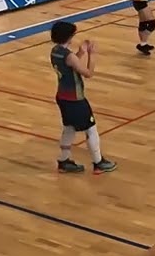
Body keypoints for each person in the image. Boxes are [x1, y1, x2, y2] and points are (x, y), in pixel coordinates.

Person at [49, 21, 115, 174]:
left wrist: (81, 52)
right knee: (91, 129)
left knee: (69, 128)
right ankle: (98, 162)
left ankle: (64, 160)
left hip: (62, 96)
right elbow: (88, 73)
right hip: (75, 99)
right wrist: (92, 55)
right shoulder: (70, 56)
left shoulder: (55, 51)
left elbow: (70, 64)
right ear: (69, 36)